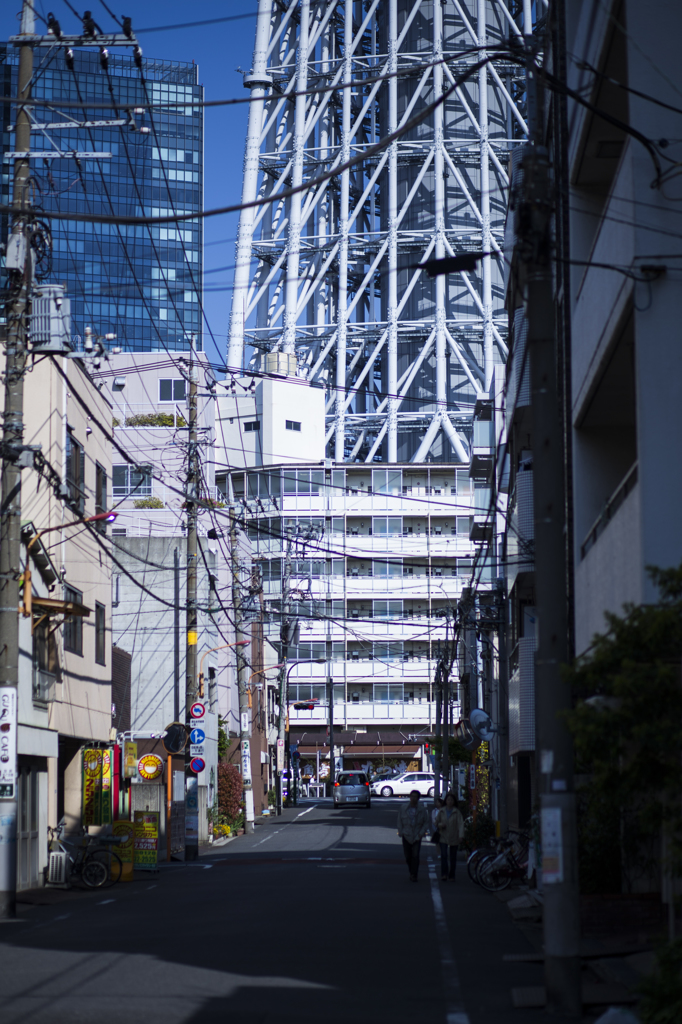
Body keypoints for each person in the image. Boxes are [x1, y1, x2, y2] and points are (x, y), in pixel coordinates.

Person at [397, 790, 429, 882]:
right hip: (406, 834)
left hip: (417, 835)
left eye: (415, 796)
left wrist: (421, 833)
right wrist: (400, 831)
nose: (413, 798)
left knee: (415, 855)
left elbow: (426, 823)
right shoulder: (403, 808)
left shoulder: (422, 810)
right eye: (412, 796)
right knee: (408, 856)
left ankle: (414, 874)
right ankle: (411, 871)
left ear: (418, 798)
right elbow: (399, 820)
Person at [436, 791, 464, 881]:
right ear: (446, 801)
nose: (450, 801)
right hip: (443, 836)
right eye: (448, 800)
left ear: (454, 801)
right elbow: (436, 822)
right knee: (444, 855)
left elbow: (461, 825)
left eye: (451, 800)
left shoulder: (457, 812)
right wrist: (440, 825)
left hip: (454, 836)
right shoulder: (442, 811)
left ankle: (452, 875)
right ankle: (444, 874)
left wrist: (461, 836)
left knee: (453, 857)